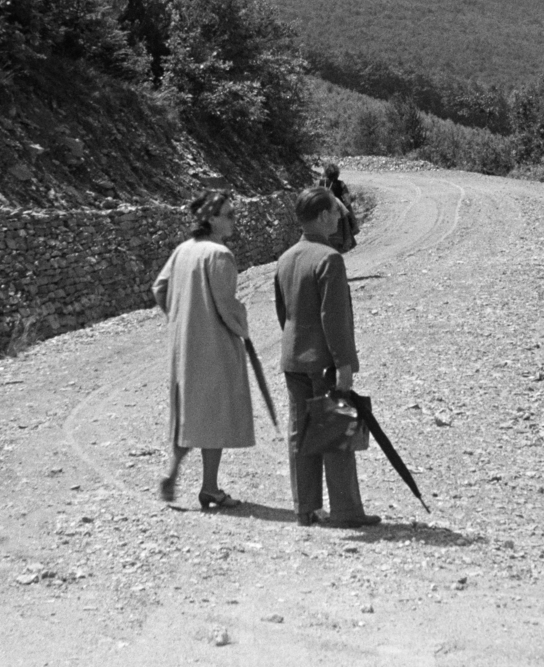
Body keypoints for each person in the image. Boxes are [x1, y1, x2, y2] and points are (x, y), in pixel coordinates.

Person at [274, 186, 380, 527]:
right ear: (322, 216)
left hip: (293, 358)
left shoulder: (286, 258)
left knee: (300, 432)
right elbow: (333, 317)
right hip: (323, 362)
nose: (341, 216)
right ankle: (346, 511)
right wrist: (344, 364)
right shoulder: (330, 259)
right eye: (336, 211)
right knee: (336, 431)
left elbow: (283, 312)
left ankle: (305, 507)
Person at [152, 191, 254, 510]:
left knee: (187, 413)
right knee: (213, 415)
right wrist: (242, 323)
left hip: (184, 346)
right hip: (214, 345)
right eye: (229, 214)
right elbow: (225, 304)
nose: (234, 219)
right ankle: (209, 487)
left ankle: (174, 472)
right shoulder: (219, 255)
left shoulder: (183, 250)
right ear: (212, 219)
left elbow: (160, 288)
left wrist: (179, 316)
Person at [317, 161, 359, 254]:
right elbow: (347, 201)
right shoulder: (340, 184)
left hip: (322, 212)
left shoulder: (319, 183)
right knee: (346, 212)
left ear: (325, 172)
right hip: (337, 212)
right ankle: (353, 227)